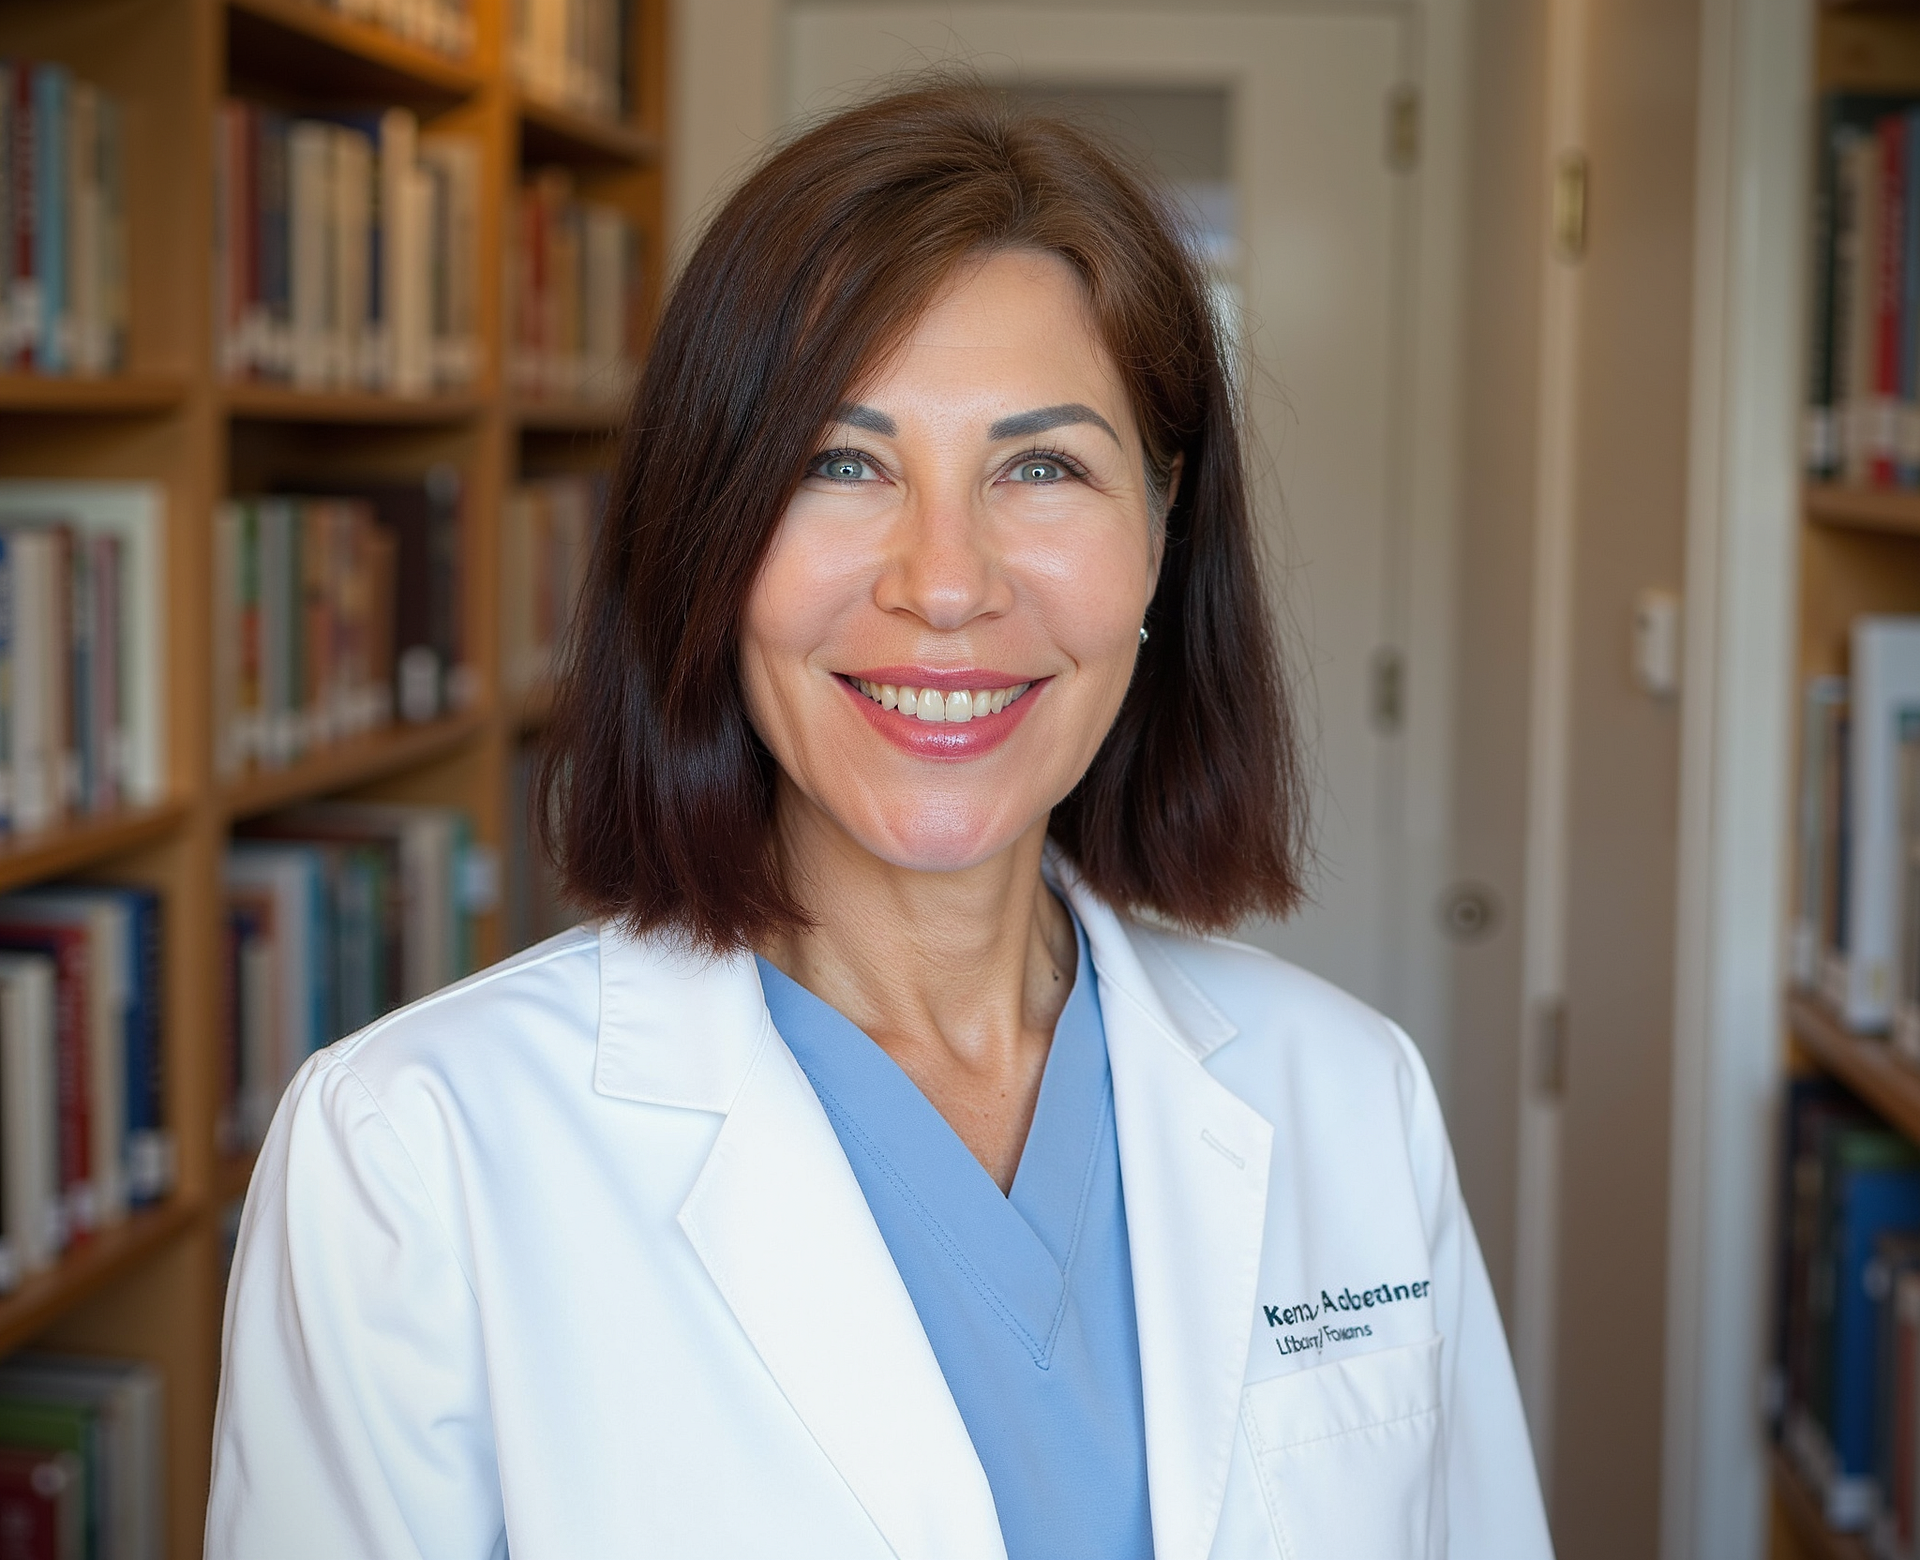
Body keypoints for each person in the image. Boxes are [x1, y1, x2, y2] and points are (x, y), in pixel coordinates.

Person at [206, 83, 1554, 1560]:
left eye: (1042, 467)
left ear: (1163, 534)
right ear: (710, 537)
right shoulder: (414, 1156)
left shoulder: (1348, 1097)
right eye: (840, 464)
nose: (947, 583)